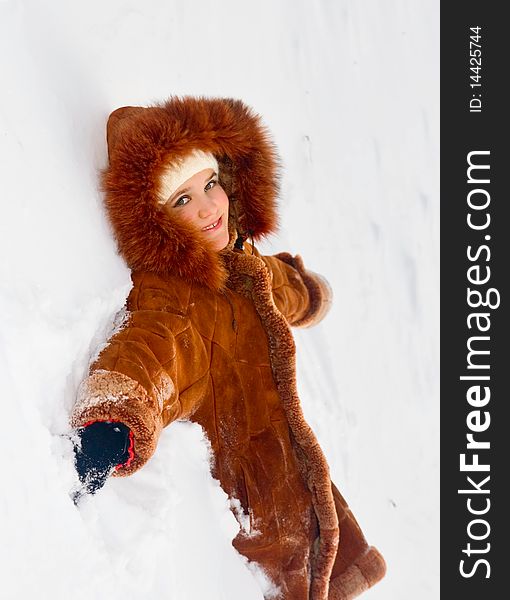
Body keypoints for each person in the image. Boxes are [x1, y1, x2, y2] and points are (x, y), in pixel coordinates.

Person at [71, 96, 386, 600]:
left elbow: (274, 288)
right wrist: (115, 419)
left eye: (210, 185)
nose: (207, 208)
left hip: (297, 488)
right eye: (181, 200)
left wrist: (307, 291)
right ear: (156, 222)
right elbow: (153, 347)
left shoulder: (240, 259)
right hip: (253, 515)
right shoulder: (176, 294)